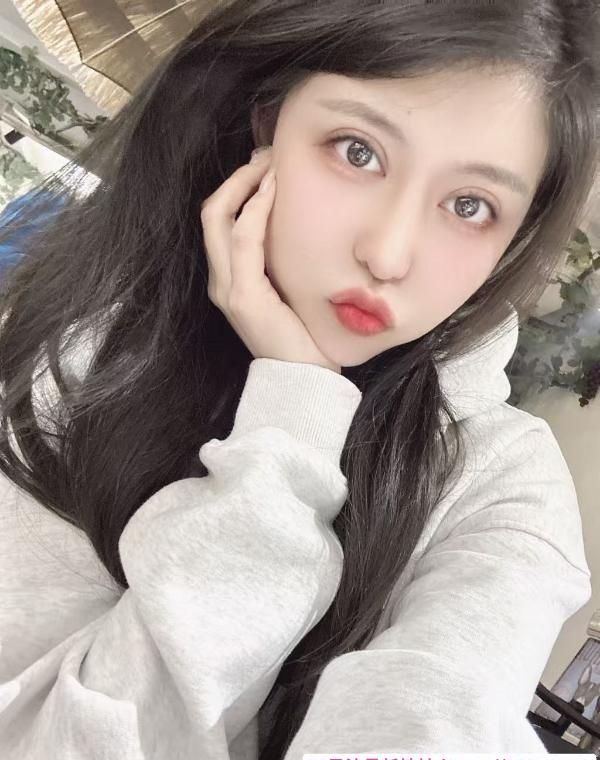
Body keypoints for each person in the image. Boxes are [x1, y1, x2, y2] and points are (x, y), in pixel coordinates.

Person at [0, 1, 598, 758]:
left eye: (469, 205)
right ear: (267, 127)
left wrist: (295, 407)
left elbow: (440, 715)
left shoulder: (504, 483)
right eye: (357, 151)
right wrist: (293, 420)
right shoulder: (85, 358)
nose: (388, 254)